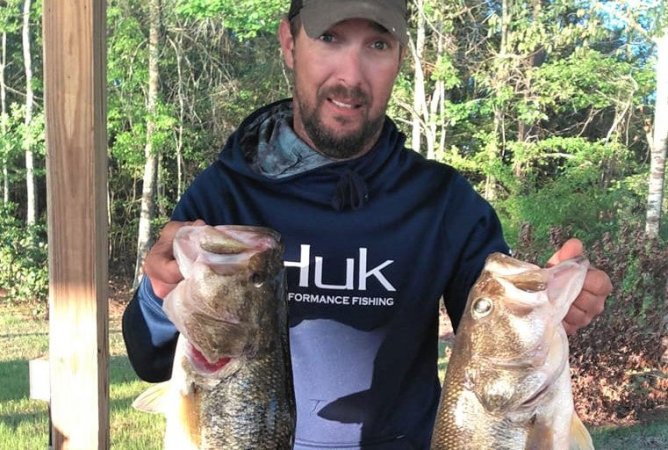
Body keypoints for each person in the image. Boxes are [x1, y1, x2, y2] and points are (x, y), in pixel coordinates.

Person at [122, 0, 613, 448]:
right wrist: (158, 293)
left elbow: (497, 347)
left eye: (377, 45)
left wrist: (554, 312)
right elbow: (148, 359)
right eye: (330, 38)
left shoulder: (445, 203)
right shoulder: (226, 196)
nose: (351, 77)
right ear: (290, 45)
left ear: (399, 57)